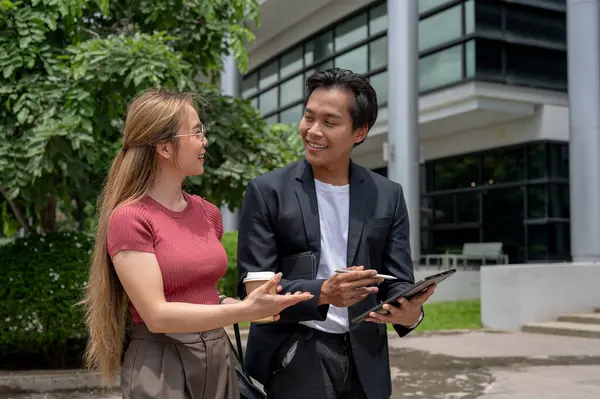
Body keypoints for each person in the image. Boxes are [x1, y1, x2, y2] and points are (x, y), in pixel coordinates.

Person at [80, 88, 313, 399]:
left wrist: (257, 305)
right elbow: (157, 314)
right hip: (162, 361)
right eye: (196, 132)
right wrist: (242, 311)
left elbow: (204, 297)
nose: (204, 141)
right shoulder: (130, 218)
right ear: (163, 146)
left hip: (218, 356)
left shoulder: (207, 213)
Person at [236, 68, 436, 399]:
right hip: (296, 355)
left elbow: (398, 278)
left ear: (359, 132)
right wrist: (324, 293)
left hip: (366, 361)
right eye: (308, 117)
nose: (313, 131)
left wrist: (410, 311)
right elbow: (255, 291)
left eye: (330, 122)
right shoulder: (267, 191)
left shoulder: (387, 194)